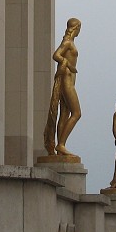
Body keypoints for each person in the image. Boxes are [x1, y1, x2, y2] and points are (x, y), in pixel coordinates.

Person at [43, 18, 82, 158]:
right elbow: (56, 55)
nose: (79, 31)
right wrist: (68, 64)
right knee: (77, 113)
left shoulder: (70, 42)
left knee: (64, 114)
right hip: (67, 80)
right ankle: (61, 144)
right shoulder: (67, 42)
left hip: (70, 79)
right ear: (75, 27)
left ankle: (60, 147)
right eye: (79, 27)